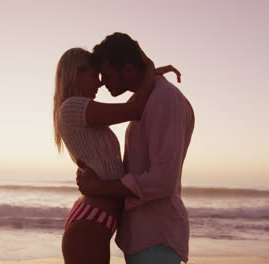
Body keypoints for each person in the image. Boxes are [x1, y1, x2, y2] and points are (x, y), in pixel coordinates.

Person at [76, 32, 195, 264]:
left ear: (128, 70)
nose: (102, 82)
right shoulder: (148, 98)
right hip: (144, 235)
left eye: (107, 75)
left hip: (156, 238)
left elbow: (163, 180)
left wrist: (99, 187)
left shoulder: (164, 99)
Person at [54, 47, 180, 264]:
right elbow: (137, 109)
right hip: (89, 223)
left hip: (95, 220)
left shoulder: (83, 112)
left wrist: (149, 75)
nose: (100, 84)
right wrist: (149, 67)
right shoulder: (72, 108)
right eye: (95, 76)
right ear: (76, 74)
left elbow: (133, 104)